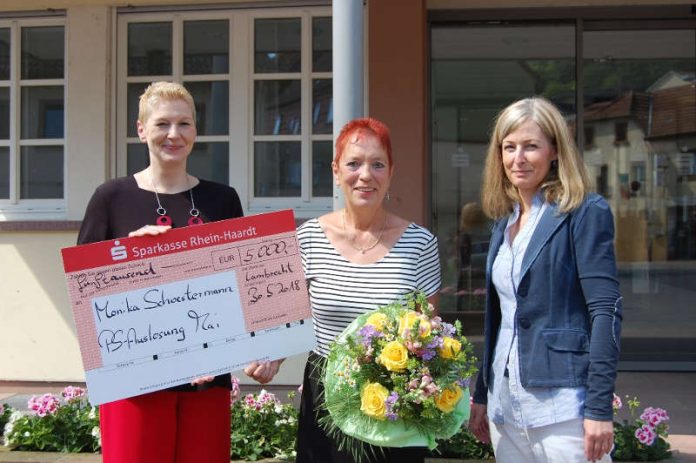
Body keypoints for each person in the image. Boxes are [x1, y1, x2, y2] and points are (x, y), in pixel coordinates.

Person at [77, 81, 273, 462]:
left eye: (184, 124)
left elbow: (242, 288)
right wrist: (129, 254)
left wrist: (256, 347)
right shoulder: (111, 198)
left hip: (206, 382)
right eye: (162, 123)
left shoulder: (223, 199)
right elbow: (86, 296)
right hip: (133, 384)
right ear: (141, 129)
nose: (173, 134)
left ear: (195, 132)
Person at [468, 96, 622, 463]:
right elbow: (500, 318)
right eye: (509, 147)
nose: (518, 158)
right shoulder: (504, 223)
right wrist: (483, 394)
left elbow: (606, 312)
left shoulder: (584, 211)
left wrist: (599, 408)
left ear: (554, 150)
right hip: (506, 405)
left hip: (563, 405)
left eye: (531, 146)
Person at [293, 117, 441, 463]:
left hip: (395, 405)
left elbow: (430, 335)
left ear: (391, 172)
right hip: (324, 399)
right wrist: (267, 354)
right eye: (354, 163)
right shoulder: (308, 239)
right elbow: (283, 321)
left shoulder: (420, 243)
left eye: (377, 164)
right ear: (335, 170)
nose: (365, 175)